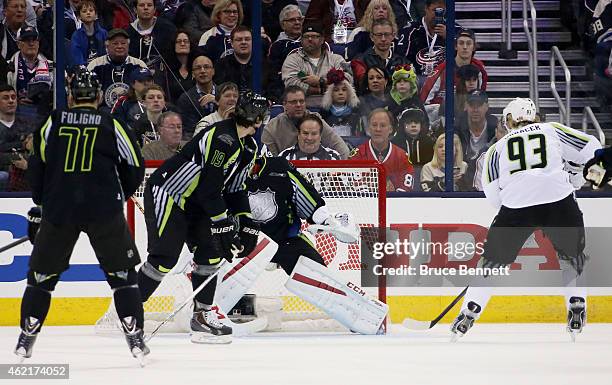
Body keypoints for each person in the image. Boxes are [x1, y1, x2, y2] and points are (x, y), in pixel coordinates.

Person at [14, 68, 148, 362]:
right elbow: (136, 165)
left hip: (60, 209)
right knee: (124, 276)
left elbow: (37, 165)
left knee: (41, 277)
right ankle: (135, 337)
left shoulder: (53, 121)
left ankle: (27, 337)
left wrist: (42, 202)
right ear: (100, 96)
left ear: (72, 96)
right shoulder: (111, 123)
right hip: (104, 209)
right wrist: (118, 194)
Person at [450, 98, 602, 341]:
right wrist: (575, 176)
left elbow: (492, 195)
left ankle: (469, 311)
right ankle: (576, 302)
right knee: (573, 257)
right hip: (559, 201)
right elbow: (592, 145)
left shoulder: (496, 149)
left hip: (516, 208)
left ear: (509, 120)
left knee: (491, 264)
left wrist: (515, 215)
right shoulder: (551, 130)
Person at [136, 91, 269, 344]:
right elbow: (210, 188)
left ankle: (202, 315)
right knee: (164, 258)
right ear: (260, 119)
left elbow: (236, 189)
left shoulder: (249, 147)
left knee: (211, 254)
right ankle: (130, 311)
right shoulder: (223, 137)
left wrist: (247, 223)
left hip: (197, 203)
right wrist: (223, 224)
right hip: (171, 194)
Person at [215, 154, 388, 335]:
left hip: (286, 240)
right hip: (246, 242)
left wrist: (326, 220)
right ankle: (209, 313)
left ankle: (364, 318)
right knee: (223, 276)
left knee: (316, 274)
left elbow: (306, 196)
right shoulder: (227, 177)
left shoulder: (280, 169)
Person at [261, 85, 350, 158]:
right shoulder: (271, 128)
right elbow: (270, 161)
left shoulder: (316, 120)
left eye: (301, 101)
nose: (298, 105)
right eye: (294, 102)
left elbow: (340, 147)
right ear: (284, 105)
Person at [282, 21, 353, 108]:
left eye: (314, 36)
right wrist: (321, 89)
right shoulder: (293, 59)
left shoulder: (336, 59)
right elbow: (291, 85)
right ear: (301, 40)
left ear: (322, 40)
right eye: (306, 36)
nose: (310, 39)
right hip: (303, 108)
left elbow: (347, 81)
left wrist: (321, 81)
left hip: (333, 107)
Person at [351, 108, 414, 192]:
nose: (378, 129)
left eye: (383, 125)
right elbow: (354, 186)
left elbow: (406, 188)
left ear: (391, 129)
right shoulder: (357, 155)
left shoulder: (402, 156)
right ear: (369, 128)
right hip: (366, 204)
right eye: (374, 125)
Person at [87, 28, 147, 109]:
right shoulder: (95, 65)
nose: (119, 46)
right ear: (107, 46)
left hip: (133, 112)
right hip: (103, 112)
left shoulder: (139, 65)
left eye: (123, 43)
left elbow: (147, 92)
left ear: (128, 45)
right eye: (115, 43)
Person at [319, 68, 361, 137]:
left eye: (344, 90)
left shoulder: (355, 111)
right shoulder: (324, 112)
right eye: (336, 90)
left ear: (349, 92)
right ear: (330, 93)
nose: (340, 93)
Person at [69, 0, 108, 68]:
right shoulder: (76, 36)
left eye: (91, 10)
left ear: (96, 15)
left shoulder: (103, 33)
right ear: (79, 17)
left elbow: (108, 53)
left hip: (103, 70)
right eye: (84, 11)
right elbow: (77, 58)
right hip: (84, 72)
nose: (88, 13)